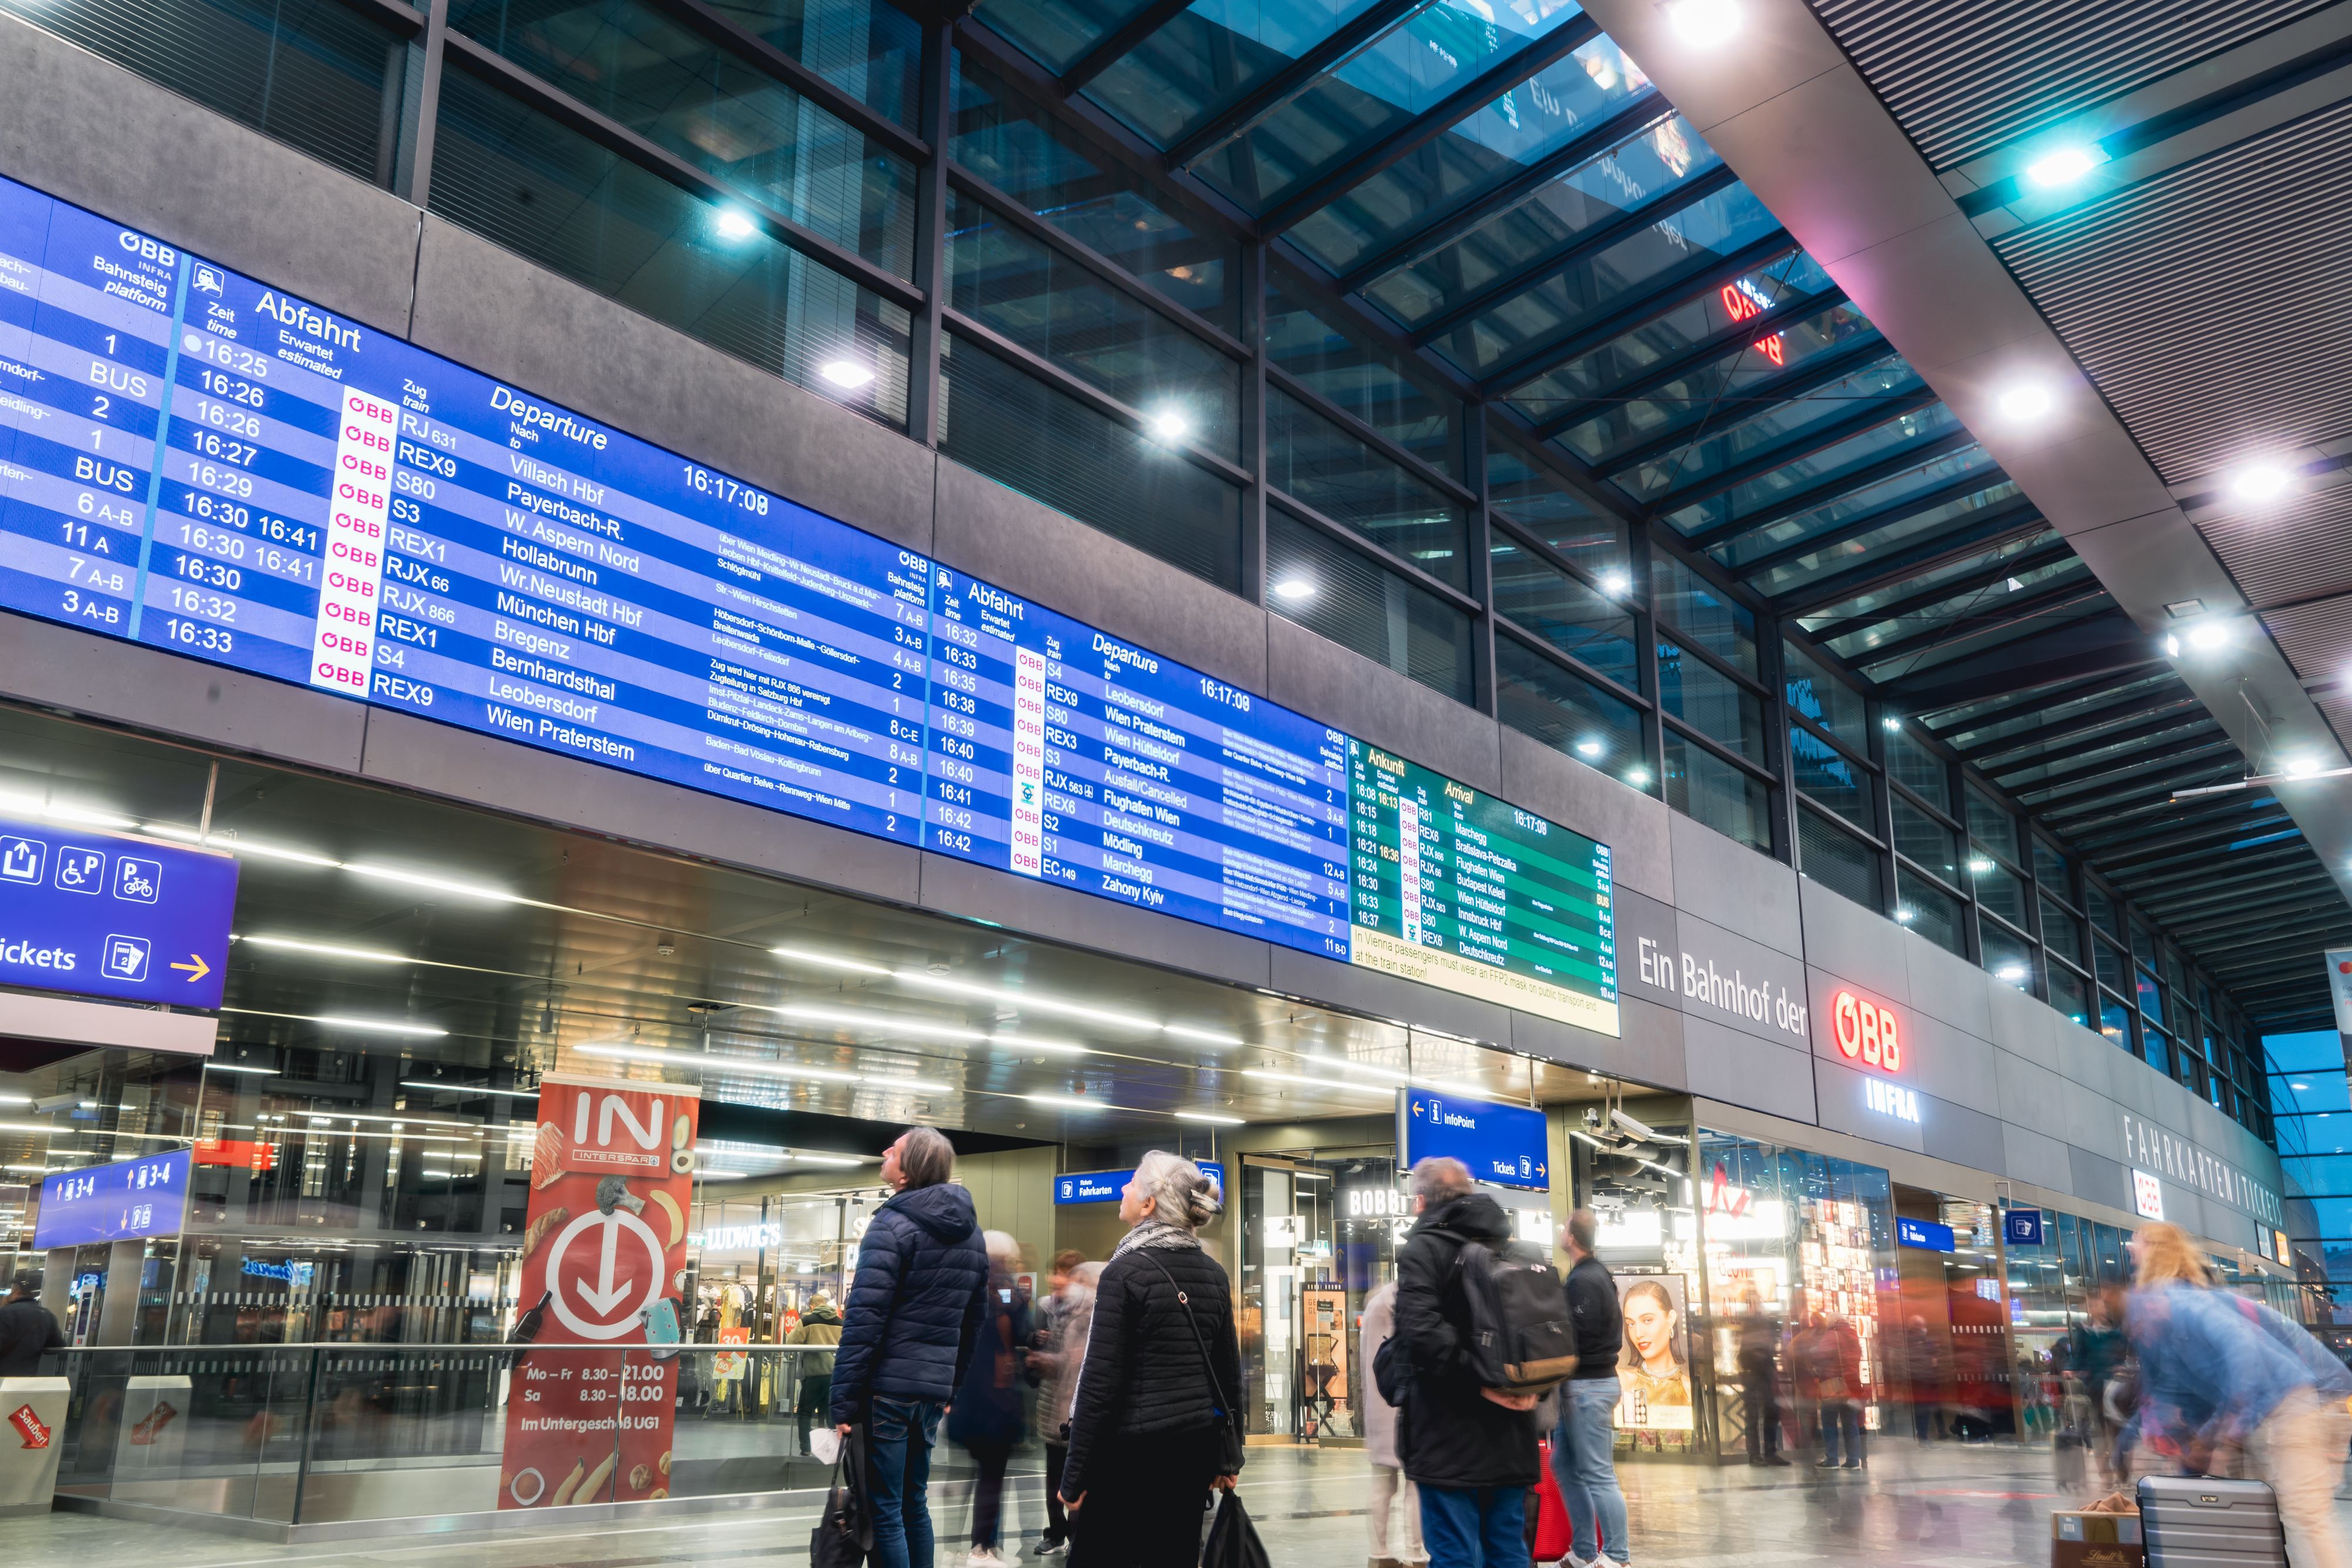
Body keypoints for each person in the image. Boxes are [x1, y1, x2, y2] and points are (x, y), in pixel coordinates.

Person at [2119, 1222, 2352, 1568]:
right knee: (2271, 1515)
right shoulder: (2178, 1304)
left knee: (2305, 1514)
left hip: (2304, 1400)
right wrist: (2130, 1437)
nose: (2128, 1249)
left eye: (2135, 1241)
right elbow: (2168, 1386)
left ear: (2154, 1248)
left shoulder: (2181, 1302)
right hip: (2297, 1402)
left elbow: (2241, 1349)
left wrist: (2227, 1427)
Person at [1060, 1152, 1241, 1568]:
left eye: (1132, 1183)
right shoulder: (1213, 1274)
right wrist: (1228, 1456)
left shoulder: (1124, 1273)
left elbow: (1100, 1382)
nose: (1123, 1188)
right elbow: (1227, 1372)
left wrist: (1075, 1474)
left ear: (1148, 1204)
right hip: (1190, 1454)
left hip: (1130, 1458)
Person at [831, 1126, 991, 1568]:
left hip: (887, 1391)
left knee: (883, 1506)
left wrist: (842, 1403)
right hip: (929, 1393)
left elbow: (865, 1320)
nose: (885, 1151)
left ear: (908, 1170)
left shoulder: (892, 1225)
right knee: (913, 1502)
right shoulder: (972, 1235)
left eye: (895, 1150)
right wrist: (949, 1388)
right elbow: (972, 1323)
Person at [1394, 1156, 1539, 1568]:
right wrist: (1527, 1386)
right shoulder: (1511, 1246)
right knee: (1509, 1550)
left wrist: (1481, 1381)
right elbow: (1544, 1330)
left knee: (1456, 1553)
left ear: (1420, 1201)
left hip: (1447, 1434)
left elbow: (1420, 1329)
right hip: (1513, 1432)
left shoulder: (1424, 1248)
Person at [950, 1231, 1033, 1568]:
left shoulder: (965, 1288)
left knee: (977, 1478)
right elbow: (1021, 1333)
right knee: (991, 1478)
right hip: (995, 1402)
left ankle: (977, 1545)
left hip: (969, 1399)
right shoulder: (1004, 1292)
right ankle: (982, 1548)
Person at [1555, 1209, 1628, 1568]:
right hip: (1586, 1385)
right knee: (1565, 1466)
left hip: (1589, 1386)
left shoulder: (1584, 1280)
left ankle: (1617, 1556)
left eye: (1563, 1228)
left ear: (1572, 1238)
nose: (1560, 1231)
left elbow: (1579, 1335)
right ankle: (1584, 1552)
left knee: (1598, 1472)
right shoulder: (1594, 1274)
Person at [1033, 1260, 1100, 1560]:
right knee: (1053, 1481)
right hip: (1052, 1408)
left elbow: (1077, 1361)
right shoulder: (1049, 1310)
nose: (1058, 1280)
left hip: (1077, 1411)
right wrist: (1037, 1343)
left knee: (1077, 1481)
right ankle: (1057, 1533)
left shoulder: (1089, 1314)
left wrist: (1049, 1361)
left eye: (1067, 1275)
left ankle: (1078, 1536)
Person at [1360, 1278, 1428, 1568]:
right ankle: (1417, 1554)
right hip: (1402, 1404)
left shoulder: (1377, 1301)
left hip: (1377, 1405)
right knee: (1415, 1487)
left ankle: (1379, 1554)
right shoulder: (1402, 1299)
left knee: (1381, 1485)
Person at [1795, 1311, 1865, 1469]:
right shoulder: (1853, 1336)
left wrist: (1811, 1352)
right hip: (1852, 1385)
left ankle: (1832, 1459)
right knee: (1850, 1423)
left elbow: (1819, 1355)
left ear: (1832, 1323)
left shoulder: (1833, 1335)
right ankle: (1854, 1460)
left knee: (1829, 1422)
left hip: (1834, 1385)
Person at [1618, 1279, 1690, 1422]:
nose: (1638, 1333)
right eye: (1631, 1324)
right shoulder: (1623, 1382)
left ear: (1670, 1319)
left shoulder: (1688, 1388)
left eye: (1647, 1320)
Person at [786, 1290, 843, 1453]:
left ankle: (806, 1449)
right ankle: (835, 1451)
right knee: (832, 1416)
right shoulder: (841, 1323)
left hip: (814, 1375)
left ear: (812, 1306)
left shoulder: (807, 1321)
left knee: (805, 1412)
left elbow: (791, 1342)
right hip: (835, 1376)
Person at [1736, 1290, 1788, 1466]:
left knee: (1770, 1413)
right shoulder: (1751, 1323)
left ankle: (1768, 1453)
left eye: (1757, 1302)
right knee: (1754, 1415)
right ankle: (1757, 1454)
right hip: (1755, 1374)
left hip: (1765, 1373)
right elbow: (1746, 1351)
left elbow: (1765, 1346)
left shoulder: (1764, 1322)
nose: (1756, 1306)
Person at [0, 1271, 62, 1376]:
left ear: (18, 1292)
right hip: (26, 1379)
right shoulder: (46, 1315)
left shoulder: (5, 1313)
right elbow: (57, 1346)